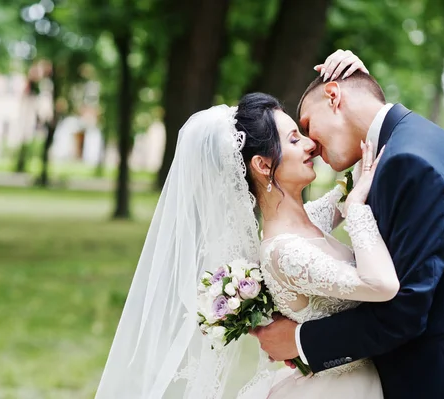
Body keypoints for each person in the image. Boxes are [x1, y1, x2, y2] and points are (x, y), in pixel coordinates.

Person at [94, 53, 390, 398]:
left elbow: (356, 173)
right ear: (263, 165)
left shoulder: (310, 218)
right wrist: (356, 209)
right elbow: (381, 284)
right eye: (295, 140)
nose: (311, 144)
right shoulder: (284, 251)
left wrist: (360, 87)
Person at [253, 51, 444, 399]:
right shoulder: (404, 144)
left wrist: (298, 340)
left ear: (334, 96)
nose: (311, 144)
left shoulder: (408, 161)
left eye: (307, 125)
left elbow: (406, 311)